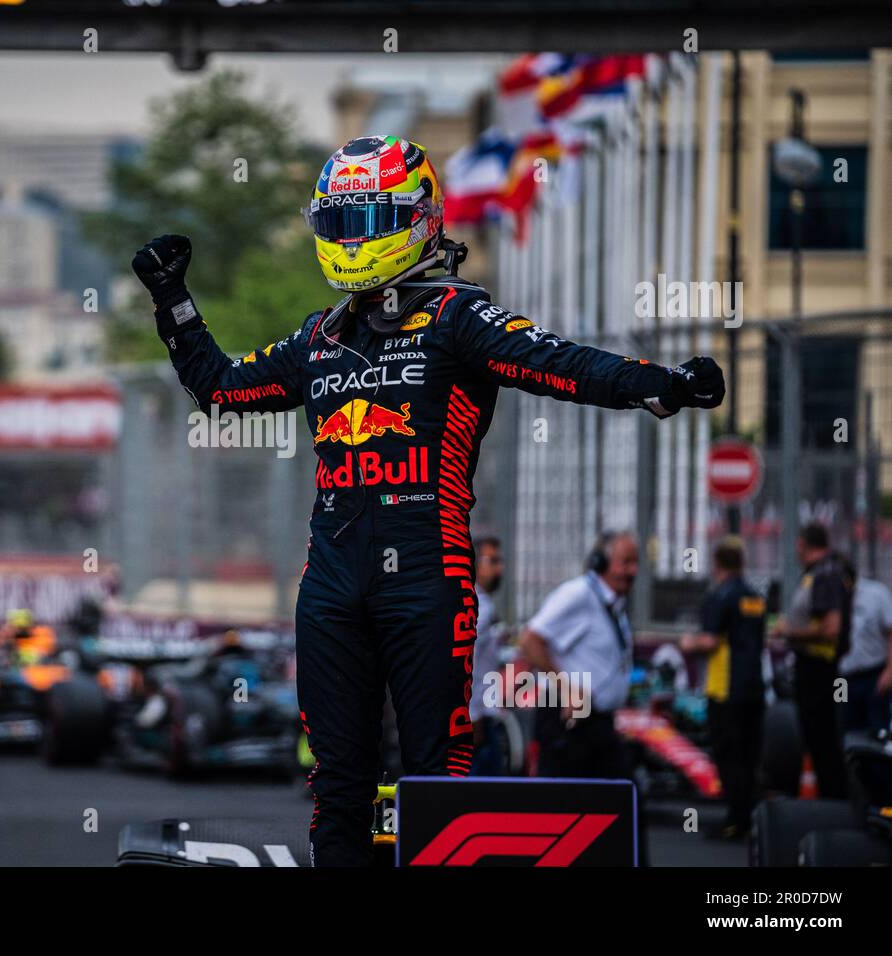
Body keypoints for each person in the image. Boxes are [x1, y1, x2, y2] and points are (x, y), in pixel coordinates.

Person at [132, 135, 725, 867]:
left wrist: (660, 384)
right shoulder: (318, 337)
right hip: (330, 588)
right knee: (338, 787)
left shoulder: (458, 316)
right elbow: (219, 388)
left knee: (436, 779)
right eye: (338, 225)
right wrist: (173, 301)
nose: (350, 241)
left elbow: (559, 362)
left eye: (365, 222)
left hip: (428, 577)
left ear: (416, 218)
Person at [520, 531, 638, 781]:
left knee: (622, 804)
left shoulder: (612, 604)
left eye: (635, 563)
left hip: (598, 723)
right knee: (564, 805)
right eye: (625, 562)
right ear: (601, 562)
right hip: (571, 720)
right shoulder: (579, 594)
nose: (632, 571)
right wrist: (566, 688)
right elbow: (530, 640)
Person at [680, 537, 766, 839]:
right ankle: (750, 818)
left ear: (717, 564)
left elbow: (710, 640)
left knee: (728, 755)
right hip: (755, 687)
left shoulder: (720, 596)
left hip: (725, 689)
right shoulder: (755, 596)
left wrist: (687, 643)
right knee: (749, 756)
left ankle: (735, 820)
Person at [769, 522, 854, 799]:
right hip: (814, 670)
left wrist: (788, 632)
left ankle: (835, 802)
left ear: (802, 545)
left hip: (820, 671)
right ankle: (831, 800)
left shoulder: (825, 574)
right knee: (818, 741)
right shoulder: (819, 574)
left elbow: (831, 629)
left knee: (823, 742)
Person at [469, 535, 508, 775]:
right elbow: (466, 663)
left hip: (483, 719)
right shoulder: (479, 608)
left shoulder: (480, 603)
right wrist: (472, 715)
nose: (499, 568)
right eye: (492, 561)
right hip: (477, 723)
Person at [838, 576, 892, 733]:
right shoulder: (828, 596)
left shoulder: (876, 594)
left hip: (873, 674)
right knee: (841, 724)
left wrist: (889, 671)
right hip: (840, 679)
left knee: (877, 727)